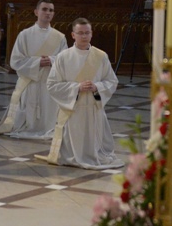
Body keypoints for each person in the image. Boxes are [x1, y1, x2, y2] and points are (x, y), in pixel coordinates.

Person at [42, 17, 124, 170]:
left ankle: (94, 154)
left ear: (91, 34)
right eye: (80, 33)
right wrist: (76, 87)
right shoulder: (63, 57)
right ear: (73, 35)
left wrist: (97, 87)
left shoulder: (100, 56)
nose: (84, 36)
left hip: (93, 108)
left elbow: (112, 81)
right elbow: (52, 85)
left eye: (87, 33)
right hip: (73, 111)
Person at [0, 0, 67, 138]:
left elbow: (65, 60)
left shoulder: (59, 37)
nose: (48, 13)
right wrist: (38, 62)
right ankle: (27, 127)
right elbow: (15, 60)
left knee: (48, 113)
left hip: (49, 80)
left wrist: (51, 60)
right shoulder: (25, 35)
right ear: (36, 12)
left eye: (51, 10)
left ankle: (47, 127)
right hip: (30, 81)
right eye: (44, 9)